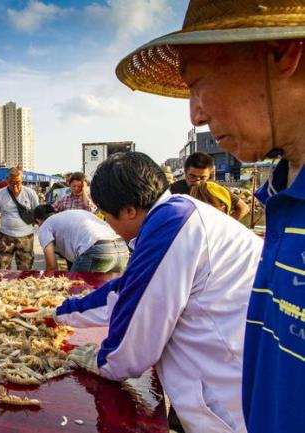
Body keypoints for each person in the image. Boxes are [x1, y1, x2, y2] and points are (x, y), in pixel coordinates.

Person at [115, 2, 305, 431]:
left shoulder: (178, 217)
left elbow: (133, 343)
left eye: (198, 84)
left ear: (282, 52)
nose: (196, 113)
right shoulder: (283, 198)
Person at [52, 152, 262, 433]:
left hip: (232, 397)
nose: (107, 224)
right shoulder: (175, 212)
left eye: (106, 215)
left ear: (128, 211)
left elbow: (136, 336)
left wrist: (104, 360)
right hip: (236, 373)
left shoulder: (171, 226)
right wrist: (60, 313)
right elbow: (128, 289)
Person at [33, 204, 128, 273]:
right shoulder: (69, 215)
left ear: (37, 220)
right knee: (107, 293)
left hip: (97, 250)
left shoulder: (45, 226)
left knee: (74, 291)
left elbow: (52, 266)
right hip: (122, 249)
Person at [170, 152, 249, 221]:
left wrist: (225, 226)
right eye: (192, 177)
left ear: (209, 175)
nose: (197, 182)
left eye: (202, 178)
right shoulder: (173, 190)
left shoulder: (216, 190)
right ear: (185, 172)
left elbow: (243, 208)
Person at [0, 167, 39, 270]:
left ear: (22, 181)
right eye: (11, 182)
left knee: (25, 271)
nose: (15, 185)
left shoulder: (31, 193)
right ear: (7, 180)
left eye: (18, 182)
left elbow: (38, 214)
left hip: (26, 237)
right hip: (5, 237)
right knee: (2, 270)